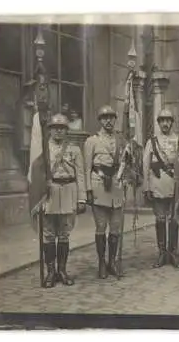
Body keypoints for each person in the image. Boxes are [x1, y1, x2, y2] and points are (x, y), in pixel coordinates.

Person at [42, 113, 86, 288]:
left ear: (66, 130)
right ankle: (51, 272)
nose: (58, 131)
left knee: (65, 234)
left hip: (69, 191)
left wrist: (81, 198)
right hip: (49, 192)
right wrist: (36, 198)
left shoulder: (74, 149)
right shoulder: (43, 149)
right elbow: (35, 175)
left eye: (62, 128)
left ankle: (62, 270)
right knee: (49, 234)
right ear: (50, 130)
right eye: (55, 128)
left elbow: (80, 175)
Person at [84, 105, 128, 279]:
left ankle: (112, 262)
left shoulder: (121, 140)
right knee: (101, 227)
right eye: (105, 118)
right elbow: (87, 168)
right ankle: (102, 263)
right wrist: (87, 190)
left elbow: (125, 163)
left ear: (115, 119)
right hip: (99, 186)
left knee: (115, 228)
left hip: (116, 186)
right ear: (100, 120)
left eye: (111, 117)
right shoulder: (92, 141)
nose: (108, 121)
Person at [143, 109, 179, 268]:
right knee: (160, 219)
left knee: (174, 220)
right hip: (157, 184)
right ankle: (162, 253)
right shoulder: (151, 142)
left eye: (168, 120)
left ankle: (173, 253)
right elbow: (145, 165)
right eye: (162, 120)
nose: (165, 123)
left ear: (172, 122)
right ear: (158, 123)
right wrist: (146, 187)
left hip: (175, 184)